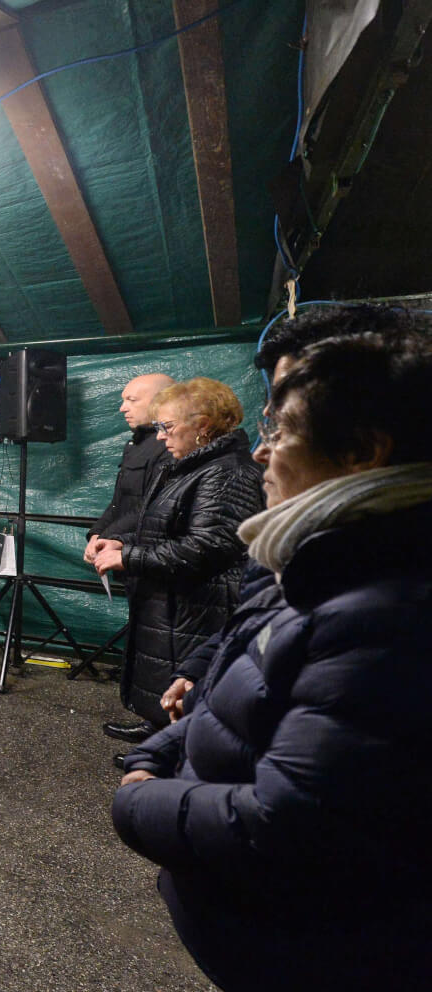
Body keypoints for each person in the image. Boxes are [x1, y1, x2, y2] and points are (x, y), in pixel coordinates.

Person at [112, 332, 432, 992]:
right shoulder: (305, 559)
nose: (262, 452)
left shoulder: (384, 609)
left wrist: (139, 801)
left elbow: (287, 822)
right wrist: (164, 745)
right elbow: (239, 669)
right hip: (245, 922)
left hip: (301, 950)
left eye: (280, 431)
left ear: (362, 450)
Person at [91, 378, 262, 746]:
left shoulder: (226, 472)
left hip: (201, 604)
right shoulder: (188, 465)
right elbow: (161, 528)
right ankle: (159, 729)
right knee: (165, 669)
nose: (161, 436)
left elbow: (209, 546)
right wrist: (121, 541)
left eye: (167, 427)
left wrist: (129, 557)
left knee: (186, 678)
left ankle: (176, 749)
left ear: (202, 425)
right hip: (175, 600)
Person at [84, 373, 175, 742]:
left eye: (132, 400)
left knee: (162, 647)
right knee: (146, 642)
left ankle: (164, 731)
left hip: (147, 556)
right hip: (130, 554)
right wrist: (97, 533)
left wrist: (114, 540)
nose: (122, 407)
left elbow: (150, 510)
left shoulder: (166, 449)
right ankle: (154, 722)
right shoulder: (135, 445)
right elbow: (119, 503)